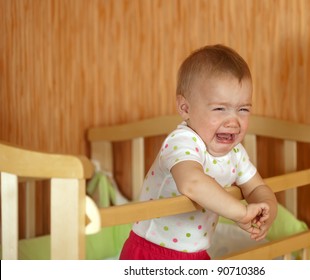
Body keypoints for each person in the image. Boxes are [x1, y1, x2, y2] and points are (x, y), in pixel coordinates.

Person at [119, 44, 278, 260]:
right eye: (220, 108)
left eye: (243, 109)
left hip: (196, 254)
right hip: (153, 252)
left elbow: (257, 187)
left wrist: (268, 208)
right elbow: (192, 183)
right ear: (185, 109)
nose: (233, 121)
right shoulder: (182, 141)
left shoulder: (236, 154)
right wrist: (240, 213)